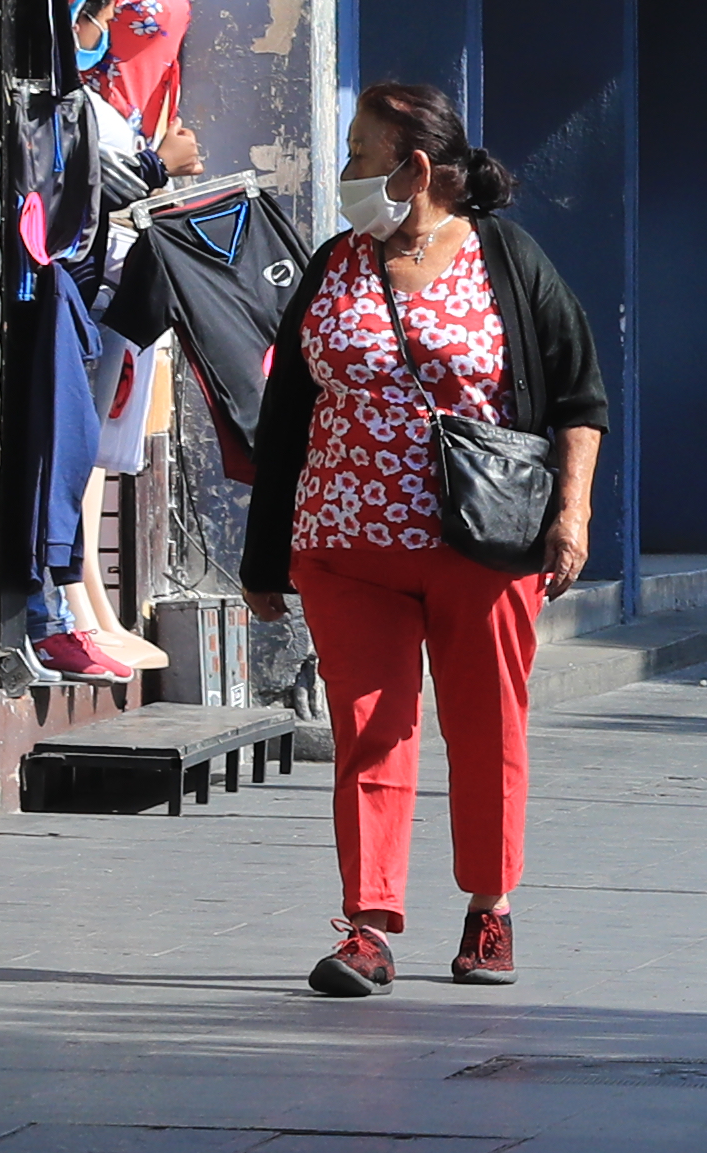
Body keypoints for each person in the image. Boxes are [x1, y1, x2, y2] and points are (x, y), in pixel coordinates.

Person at [243, 83, 611, 1001]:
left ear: (414, 170)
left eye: (362, 153)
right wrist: (264, 556)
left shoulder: (508, 262)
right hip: (342, 547)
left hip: (482, 545)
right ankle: (367, 928)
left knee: (487, 727)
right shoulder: (335, 265)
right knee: (371, 734)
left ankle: (490, 911)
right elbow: (284, 419)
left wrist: (573, 513)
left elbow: (578, 398)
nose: (345, 172)